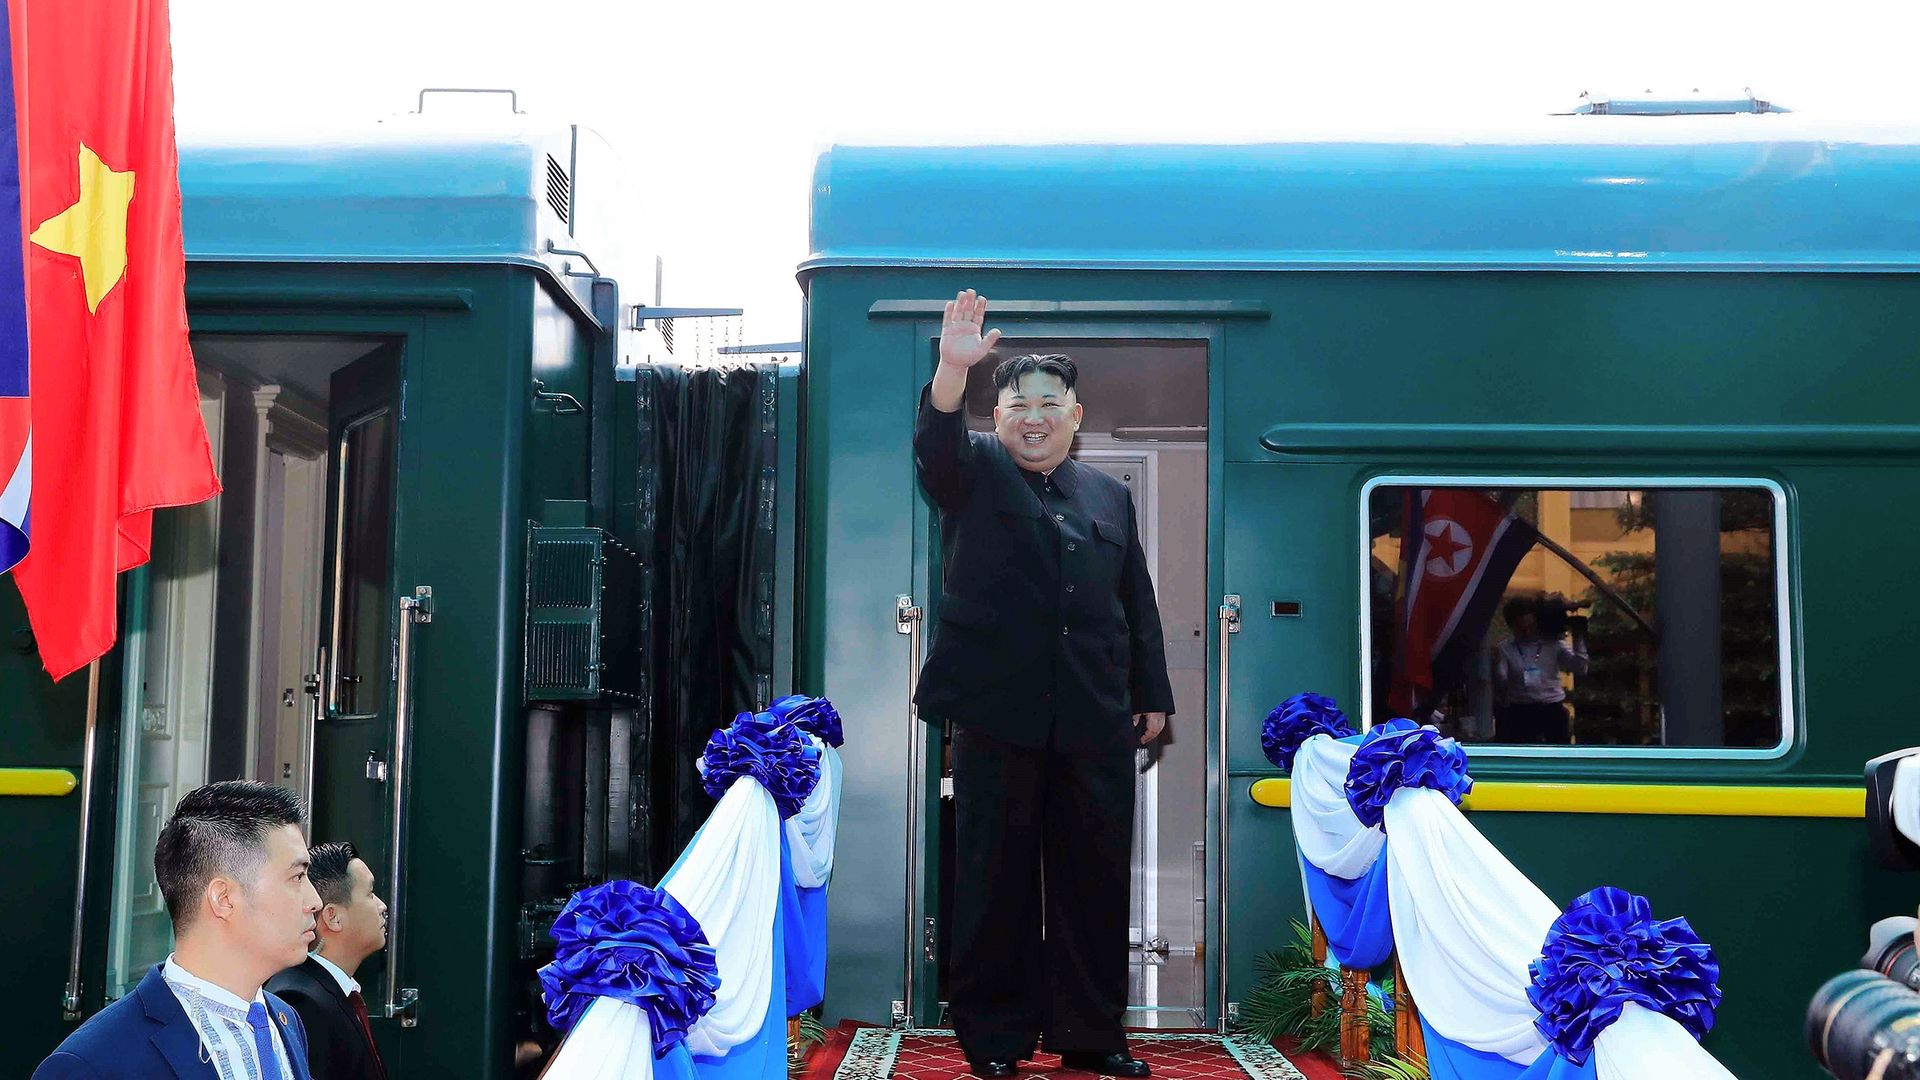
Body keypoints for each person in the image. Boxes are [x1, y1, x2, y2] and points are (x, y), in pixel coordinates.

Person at [914, 290, 1174, 1079]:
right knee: (993, 882)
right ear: (997, 417)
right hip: (997, 717)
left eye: (1047, 404)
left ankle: (1091, 1034)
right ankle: (994, 1041)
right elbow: (936, 447)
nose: (1032, 416)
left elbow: (1136, 598)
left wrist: (1152, 693)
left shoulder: (1110, 495)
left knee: (1093, 879)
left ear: (1075, 414)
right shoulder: (976, 471)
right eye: (1016, 403)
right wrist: (950, 374)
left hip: (1095, 718)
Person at [35, 781, 319, 1080]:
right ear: (223, 899)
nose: (314, 900)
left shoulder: (285, 1020)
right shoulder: (93, 1063)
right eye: (297, 876)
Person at [267, 842, 390, 1080]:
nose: (382, 906)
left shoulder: (335, 993)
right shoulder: (299, 1000)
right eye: (370, 893)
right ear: (333, 917)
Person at [1493, 594, 1590, 743]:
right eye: (1520, 628)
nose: (1526, 632)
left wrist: (1578, 637)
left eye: (1530, 627)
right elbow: (1501, 679)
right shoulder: (1505, 649)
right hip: (1520, 712)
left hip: (1552, 709)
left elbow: (1580, 668)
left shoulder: (1554, 644)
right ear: (1511, 627)